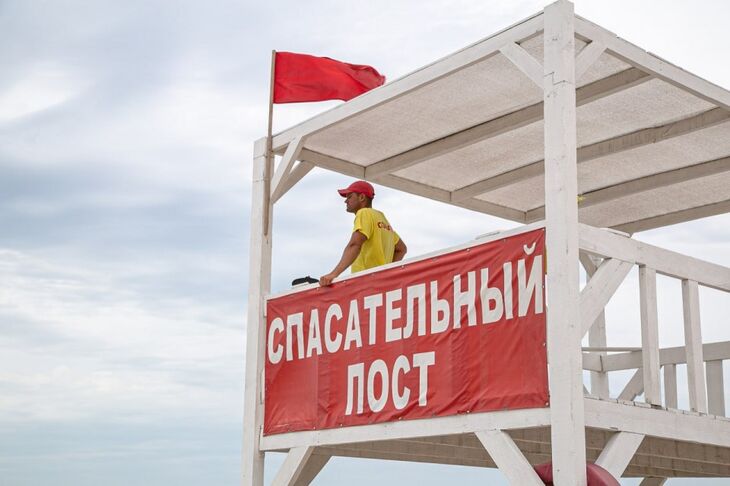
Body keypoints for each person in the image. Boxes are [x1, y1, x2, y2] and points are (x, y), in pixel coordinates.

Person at [319, 181, 407, 286]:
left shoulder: (364, 213)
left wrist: (334, 274)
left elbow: (355, 244)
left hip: (366, 283)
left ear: (361, 197)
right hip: (381, 283)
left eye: (349, 197)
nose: (346, 201)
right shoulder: (381, 218)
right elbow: (401, 249)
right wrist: (388, 272)